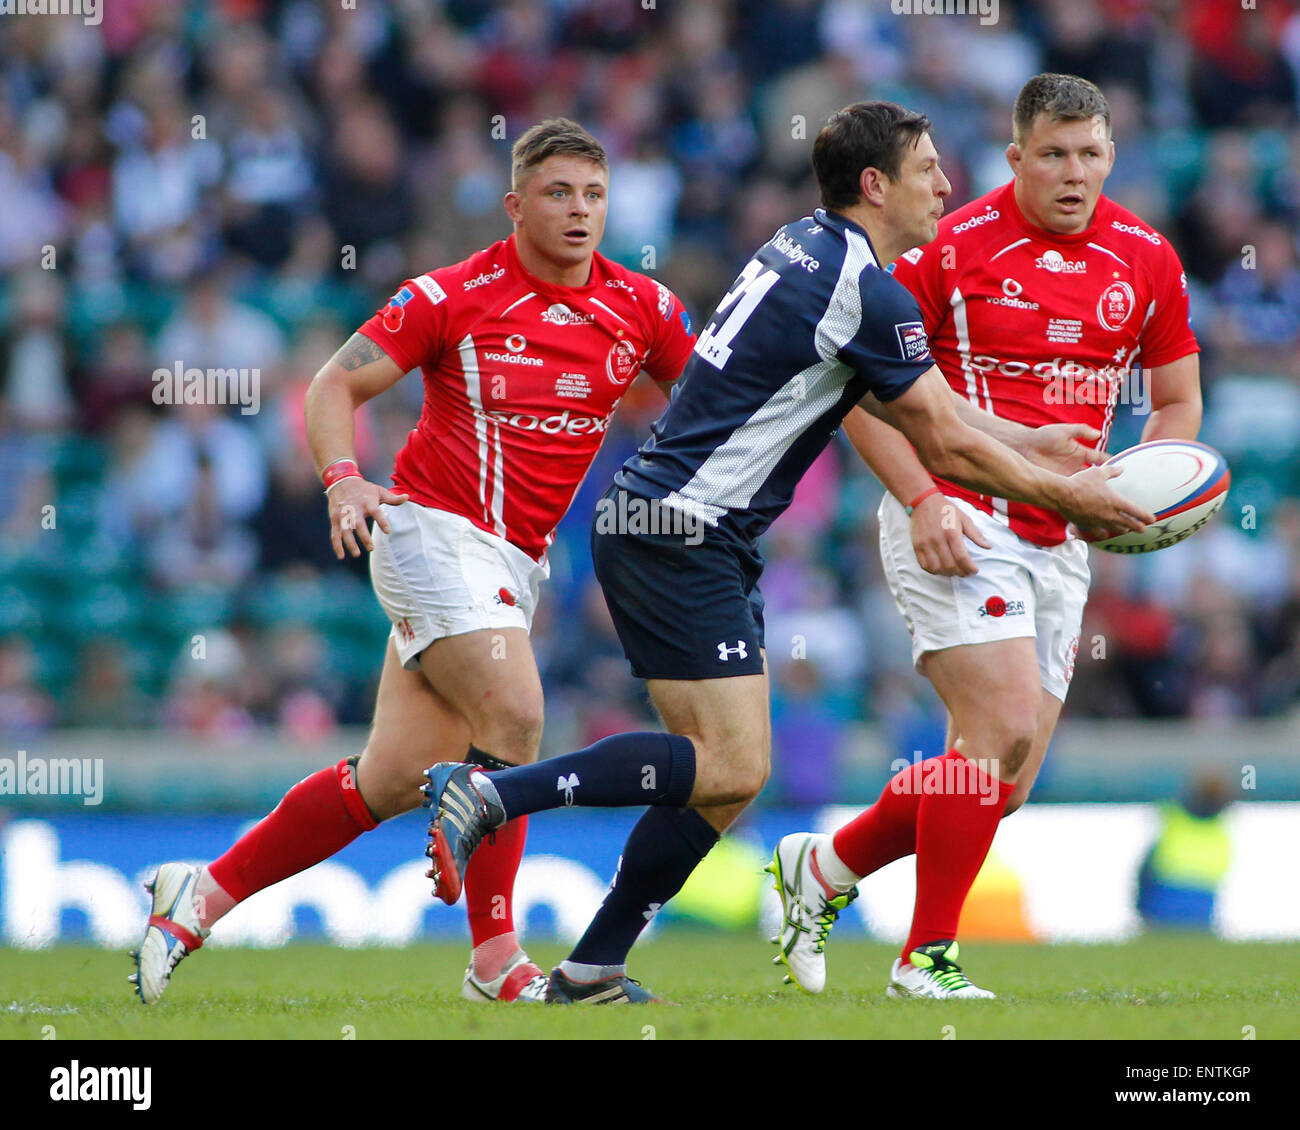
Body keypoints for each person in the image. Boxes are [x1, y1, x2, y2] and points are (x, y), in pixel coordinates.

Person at [421, 100, 1152, 1004]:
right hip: (681, 528)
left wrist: (1035, 446)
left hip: (670, 523)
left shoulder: (805, 247)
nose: (947, 185)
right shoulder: (864, 288)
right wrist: (1078, 498)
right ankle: (496, 795)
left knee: (721, 784)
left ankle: (593, 965)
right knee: (733, 765)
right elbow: (944, 443)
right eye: (928, 169)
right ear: (877, 184)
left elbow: (919, 409)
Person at [130, 119, 695, 1005]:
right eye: (558, 193)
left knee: (389, 781)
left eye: (593, 194)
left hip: (515, 565)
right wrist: (343, 479)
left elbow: (706, 411)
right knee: (514, 716)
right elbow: (332, 385)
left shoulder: (644, 309)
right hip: (427, 532)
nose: (579, 211)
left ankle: (195, 895)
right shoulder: (451, 296)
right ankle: (496, 963)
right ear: (515, 205)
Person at [772, 74, 1203, 1000]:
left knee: (1001, 783)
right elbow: (859, 392)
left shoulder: (1148, 258)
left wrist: (1143, 486)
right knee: (995, 727)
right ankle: (925, 961)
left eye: (1090, 154)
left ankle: (825, 868)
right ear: (1016, 157)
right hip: (961, 518)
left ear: (1113, 156)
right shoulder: (950, 248)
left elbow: (1176, 405)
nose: (1073, 173)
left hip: (1065, 530)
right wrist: (925, 497)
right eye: (1053, 154)